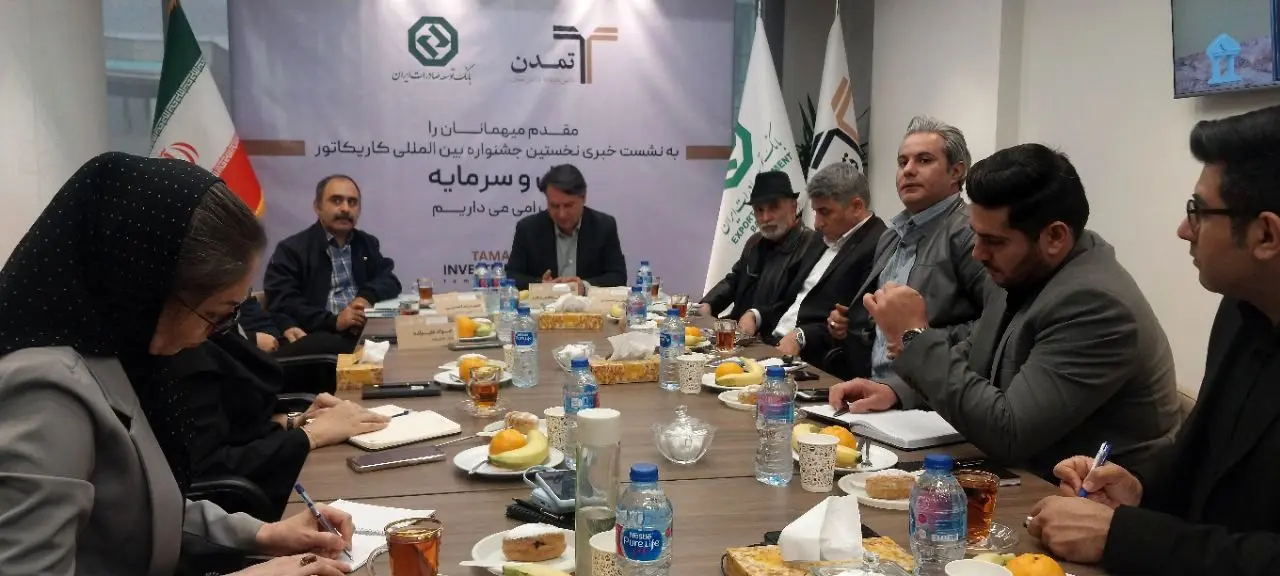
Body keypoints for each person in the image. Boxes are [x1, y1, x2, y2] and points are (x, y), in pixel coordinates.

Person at [0, 153, 352, 575]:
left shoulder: (119, 351)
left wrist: (262, 534)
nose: (214, 334)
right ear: (147, 286)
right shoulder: (44, 391)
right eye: (214, 315)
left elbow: (141, 510)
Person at [1029, 104, 1280, 575]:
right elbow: (1204, 462)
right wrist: (1138, 489)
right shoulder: (1241, 311)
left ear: (1266, 234)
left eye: (1198, 212)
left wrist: (1123, 536)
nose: (1183, 230)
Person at [834, 143, 1181, 478]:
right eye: (977, 236)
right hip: (1022, 479)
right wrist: (897, 391)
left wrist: (914, 336)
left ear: (1055, 236)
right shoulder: (1025, 269)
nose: (978, 253)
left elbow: (1009, 433)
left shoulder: (1096, 306)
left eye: (994, 241)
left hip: (1079, 499)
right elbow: (975, 356)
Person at [156, 330, 391, 520]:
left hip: (261, 467)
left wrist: (295, 420)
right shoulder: (182, 354)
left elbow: (234, 425)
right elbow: (206, 468)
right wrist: (309, 436)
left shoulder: (209, 333)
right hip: (240, 505)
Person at [824, 116, 990, 379]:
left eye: (924, 160)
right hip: (874, 383)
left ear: (956, 172)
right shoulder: (891, 235)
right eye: (903, 162)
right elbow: (885, 323)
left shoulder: (971, 231)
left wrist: (919, 339)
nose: (908, 170)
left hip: (931, 389)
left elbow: (997, 322)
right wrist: (850, 323)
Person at [745, 163, 886, 366]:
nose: (817, 223)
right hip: (772, 342)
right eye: (815, 212)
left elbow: (853, 324)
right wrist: (756, 314)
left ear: (856, 206)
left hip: (814, 360)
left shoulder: (878, 245)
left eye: (825, 212)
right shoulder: (821, 238)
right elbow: (793, 299)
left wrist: (801, 336)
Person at [264, 174, 402, 345]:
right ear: (317, 206)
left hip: (366, 333)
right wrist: (334, 321)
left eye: (352, 202)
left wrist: (365, 298)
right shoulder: (292, 250)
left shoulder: (366, 243)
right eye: (336, 201)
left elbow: (388, 279)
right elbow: (284, 301)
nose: (345, 209)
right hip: (321, 337)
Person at [699, 171, 816, 324]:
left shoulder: (811, 246)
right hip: (736, 330)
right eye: (759, 210)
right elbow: (734, 281)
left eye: (773, 207)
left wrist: (756, 317)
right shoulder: (754, 242)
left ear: (793, 207)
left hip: (773, 336)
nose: (765, 218)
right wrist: (709, 304)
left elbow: (797, 305)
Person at [505, 164, 627, 291]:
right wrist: (541, 285)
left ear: (583, 197)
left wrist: (584, 286)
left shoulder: (604, 226)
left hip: (588, 303)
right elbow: (512, 276)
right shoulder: (527, 228)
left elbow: (618, 276)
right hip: (544, 303)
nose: (561, 214)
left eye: (568, 205)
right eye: (554, 206)